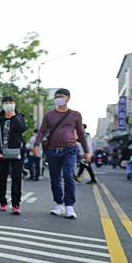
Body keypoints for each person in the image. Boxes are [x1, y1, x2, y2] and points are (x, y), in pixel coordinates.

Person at [33, 88, 90, 219]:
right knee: (55, 178)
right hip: (53, 150)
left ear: (68, 98)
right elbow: (42, 131)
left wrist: (86, 151)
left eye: (61, 96)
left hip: (70, 149)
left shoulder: (75, 114)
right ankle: (59, 203)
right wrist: (36, 144)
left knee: (68, 175)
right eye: (57, 96)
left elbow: (81, 134)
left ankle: (69, 206)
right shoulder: (49, 115)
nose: (59, 98)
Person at [0, 96, 27, 215]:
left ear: (14, 104)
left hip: (17, 151)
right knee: (1, 177)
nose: (9, 105)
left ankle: (16, 204)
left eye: (11, 102)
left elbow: (22, 129)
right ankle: (2, 201)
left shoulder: (19, 117)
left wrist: (14, 117)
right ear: (2, 104)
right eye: (6, 103)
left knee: (16, 178)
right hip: (2, 152)